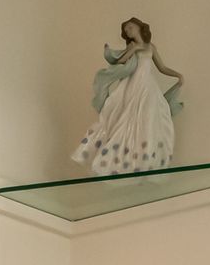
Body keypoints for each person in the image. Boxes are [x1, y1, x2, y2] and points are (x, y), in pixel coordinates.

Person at [72, 16, 183, 174]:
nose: (127, 31)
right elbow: (120, 61)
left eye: (130, 27)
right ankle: (120, 160)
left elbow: (162, 67)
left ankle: (145, 160)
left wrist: (178, 75)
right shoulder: (132, 46)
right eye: (125, 30)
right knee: (124, 118)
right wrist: (129, 50)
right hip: (132, 85)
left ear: (139, 27)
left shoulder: (150, 47)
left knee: (149, 118)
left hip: (147, 86)